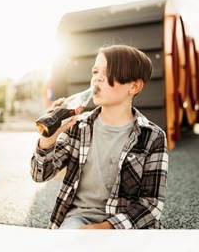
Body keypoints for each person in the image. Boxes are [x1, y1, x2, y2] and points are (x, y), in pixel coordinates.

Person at [31, 44, 167, 228]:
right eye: (95, 72)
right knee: (65, 250)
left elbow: (151, 204)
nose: (97, 79)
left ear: (134, 86)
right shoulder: (78, 126)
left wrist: (104, 228)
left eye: (108, 72)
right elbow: (40, 176)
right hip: (79, 219)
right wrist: (49, 138)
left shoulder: (152, 136)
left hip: (126, 226)